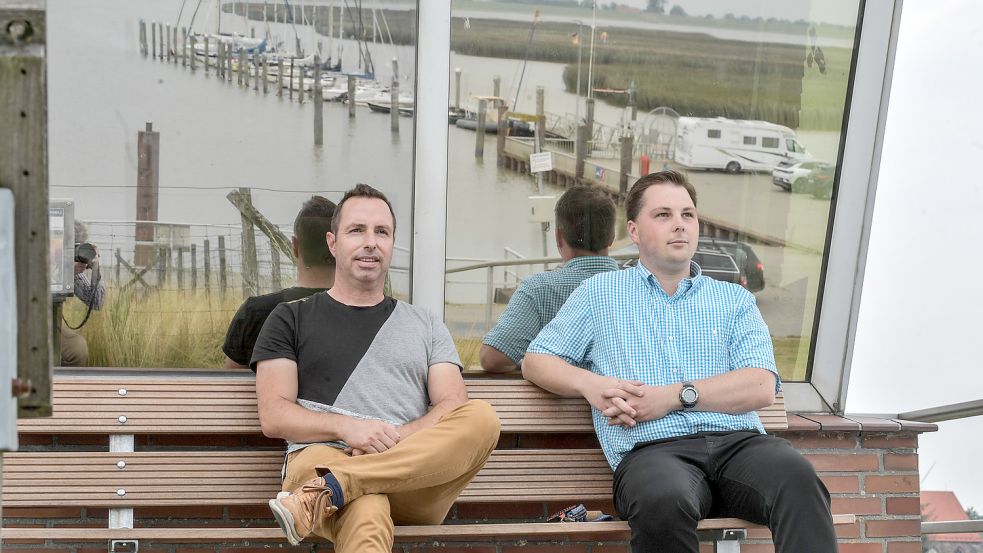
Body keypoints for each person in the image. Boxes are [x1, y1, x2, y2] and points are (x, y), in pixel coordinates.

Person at [523, 171, 836, 553]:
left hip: (740, 448)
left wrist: (675, 396)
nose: (680, 225)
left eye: (688, 215)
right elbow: (536, 360)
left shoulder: (733, 300)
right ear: (635, 231)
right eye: (664, 215)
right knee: (662, 497)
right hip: (653, 454)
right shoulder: (599, 295)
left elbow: (760, 385)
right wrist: (591, 385)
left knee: (797, 476)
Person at [251, 184, 500, 550]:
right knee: (366, 506)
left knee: (482, 417)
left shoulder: (425, 324)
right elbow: (274, 416)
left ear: (392, 244)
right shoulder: (291, 318)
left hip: (411, 479)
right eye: (357, 231)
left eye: (381, 232)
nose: (371, 242)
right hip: (320, 458)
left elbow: (451, 406)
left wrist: (390, 442)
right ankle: (339, 487)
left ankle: (340, 484)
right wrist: (351, 429)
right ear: (332, 244)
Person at [480, 186, 618, 373]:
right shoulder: (639, 286)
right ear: (612, 237)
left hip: (555, 400)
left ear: (558, 237)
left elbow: (493, 358)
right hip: (626, 400)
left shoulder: (538, 290)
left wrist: (533, 366)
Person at [223, 196, 337, 370]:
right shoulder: (358, 314)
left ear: (295, 246)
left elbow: (231, 384)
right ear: (338, 247)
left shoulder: (254, 313)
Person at [61, 222, 105, 367]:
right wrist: (62, 270)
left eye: (78, 247)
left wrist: (95, 268)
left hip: (48, 322)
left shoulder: (74, 268)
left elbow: (97, 302)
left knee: (77, 348)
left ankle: (62, 388)